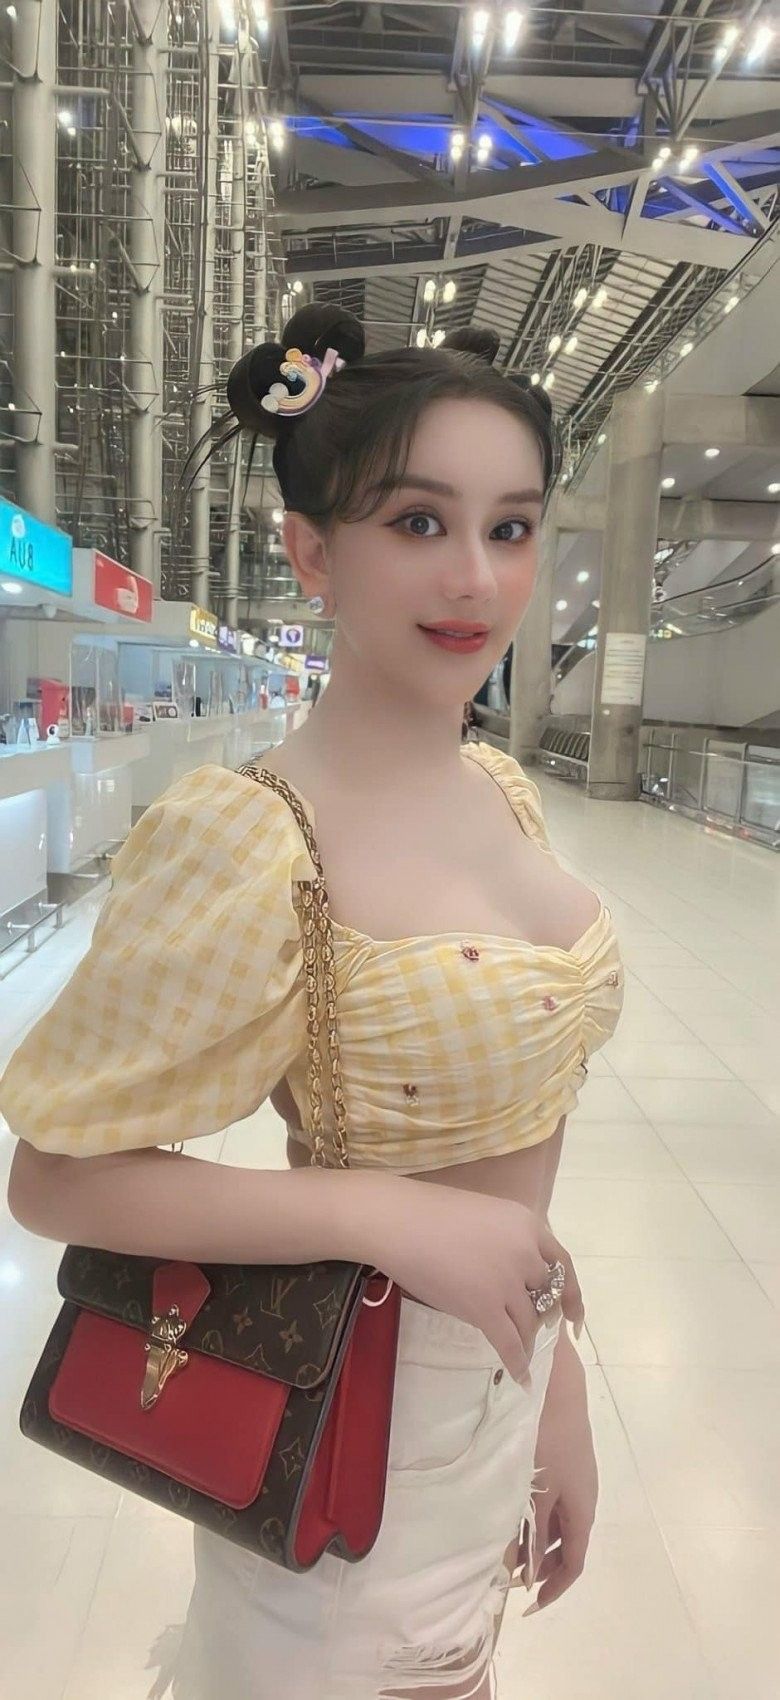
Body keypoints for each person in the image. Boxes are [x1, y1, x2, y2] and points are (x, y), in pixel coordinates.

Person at [1, 304, 624, 1699]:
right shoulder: (256, 836)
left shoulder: (501, 792)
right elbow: (55, 1176)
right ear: (311, 551)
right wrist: (382, 1214)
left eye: (513, 527)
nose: (475, 575)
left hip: (495, 1383)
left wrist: (555, 1384)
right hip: (354, 1420)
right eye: (418, 521)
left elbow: (513, 1155)